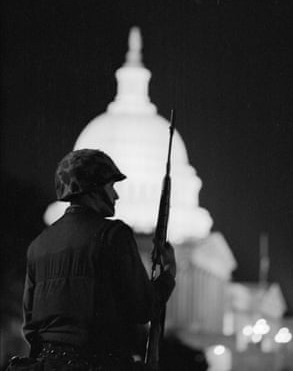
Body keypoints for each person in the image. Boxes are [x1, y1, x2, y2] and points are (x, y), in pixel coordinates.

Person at [21, 149, 176, 371]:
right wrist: (168, 275)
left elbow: (30, 327)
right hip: (100, 362)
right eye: (111, 186)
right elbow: (143, 308)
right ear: (93, 188)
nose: (116, 196)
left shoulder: (38, 245)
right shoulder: (113, 235)